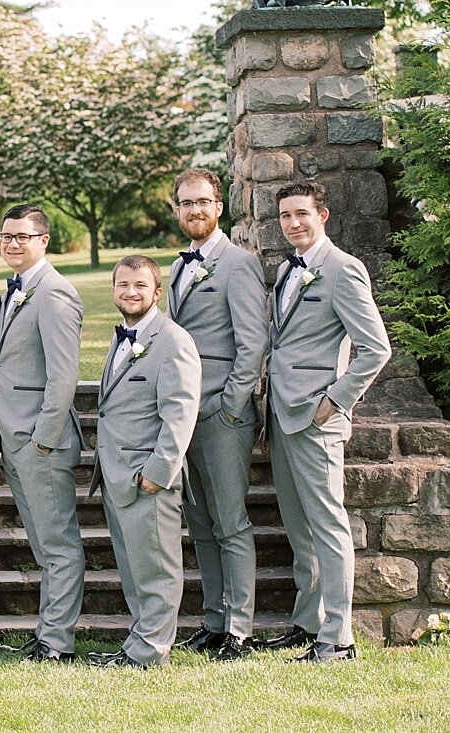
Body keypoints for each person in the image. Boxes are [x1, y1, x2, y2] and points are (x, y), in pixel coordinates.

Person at [262, 181, 392, 664]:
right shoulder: (285, 270)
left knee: (328, 527)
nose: (293, 223)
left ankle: (339, 639)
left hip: (316, 419)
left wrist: (333, 401)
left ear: (324, 215)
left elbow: (375, 348)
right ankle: (307, 623)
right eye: (285, 216)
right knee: (300, 530)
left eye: (302, 214)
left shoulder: (342, 269)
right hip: (280, 415)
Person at [167, 168, 268, 661]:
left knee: (230, 523)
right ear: (177, 210)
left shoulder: (238, 264)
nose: (195, 211)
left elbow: (253, 343)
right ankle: (212, 620)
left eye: (203, 202)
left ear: (219, 206)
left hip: (223, 416)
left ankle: (240, 629)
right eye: (186, 204)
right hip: (184, 415)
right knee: (201, 524)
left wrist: (231, 407)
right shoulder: (175, 267)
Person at [88, 256, 201, 669]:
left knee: (157, 571)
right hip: (117, 477)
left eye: (139, 285)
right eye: (122, 285)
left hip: (146, 478)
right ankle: (139, 644)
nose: (130, 292)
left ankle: (151, 652)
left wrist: (157, 473)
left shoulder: (172, 341)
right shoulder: (125, 337)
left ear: (157, 292)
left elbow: (180, 412)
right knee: (135, 571)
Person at [0, 203, 85, 662]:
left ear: (43, 241)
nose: (12, 244)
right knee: (45, 545)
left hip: (39, 441)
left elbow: (63, 377)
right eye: (7, 236)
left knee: (59, 545)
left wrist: (43, 438)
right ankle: (47, 633)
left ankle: (57, 643)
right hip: (15, 437)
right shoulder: (18, 289)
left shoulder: (55, 293)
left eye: (22, 237)